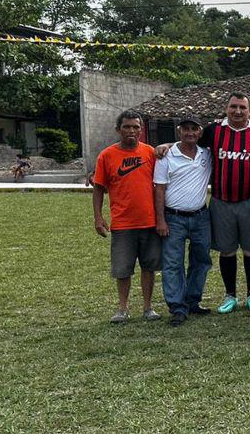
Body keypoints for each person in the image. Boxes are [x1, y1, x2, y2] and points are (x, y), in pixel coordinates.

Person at [197, 93, 250, 314]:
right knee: (226, 251)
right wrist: (165, 146)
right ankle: (230, 295)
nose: (238, 111)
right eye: (234, 107)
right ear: (226, 108)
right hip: (221, 201)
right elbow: (189, 144)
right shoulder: (213, 131)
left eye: (242, 107)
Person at [92, 110, 161, 324]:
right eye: (127, 127)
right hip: (122, 224)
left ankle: (148, 307)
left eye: (136, 127)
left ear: (141, 130)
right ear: (118, 129)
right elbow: (98, 188)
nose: (132, 131)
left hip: (149, 222)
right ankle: (122, 308)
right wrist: (98, 217)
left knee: (149, 266)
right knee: (122, 269)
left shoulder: (150, 153)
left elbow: (160, 185)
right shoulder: (107, 155)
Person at [153, 116, 214, 327]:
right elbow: (159, 189)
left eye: (194, 129)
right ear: (179, 131)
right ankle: (177, 307)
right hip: (174, 217)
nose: (190, 133)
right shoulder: (166, 156)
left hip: (200, 216)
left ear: (200, 133)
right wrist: (160, 220)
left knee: (201, 260)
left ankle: (193, 300)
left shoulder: (206, 154)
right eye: (185, 129)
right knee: (173, 263)